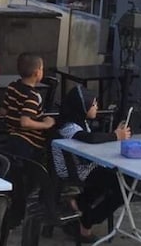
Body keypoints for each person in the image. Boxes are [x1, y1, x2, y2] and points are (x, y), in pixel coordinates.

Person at [54, 85, 128, 235]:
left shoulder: (80, 122)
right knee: (123, 188)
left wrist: (115, 134)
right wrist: (115, 136)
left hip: (84, 166)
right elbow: (90, 138)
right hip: (74, 170)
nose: (97, 107)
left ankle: (79, 203)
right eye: (93, 104)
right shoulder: (68, 127)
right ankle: (88, 220)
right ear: (82, 107)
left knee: (119, 179)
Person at [1, 52, 54, 159]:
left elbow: (3, 111)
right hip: (29, 142)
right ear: (37, 73)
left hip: (11, 137)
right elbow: (25, 122)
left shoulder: (12, 87)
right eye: (42, 68)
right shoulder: (33, 96)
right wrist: (46, 124)